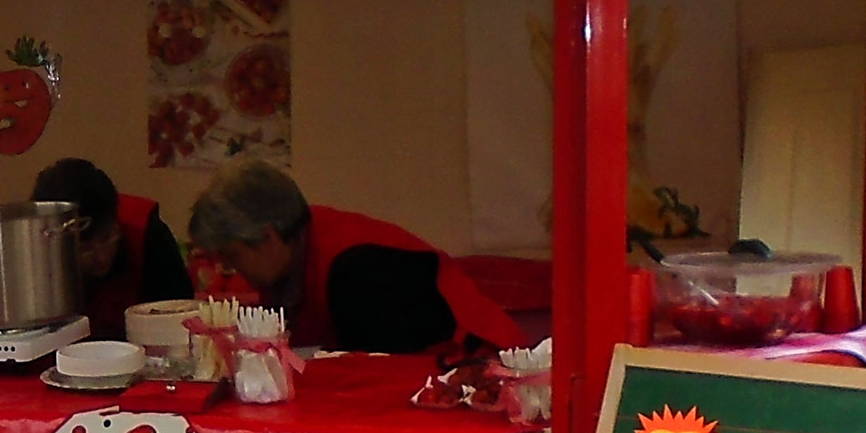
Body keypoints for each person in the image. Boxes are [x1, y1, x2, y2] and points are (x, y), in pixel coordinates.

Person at [186, 157, 520, 355]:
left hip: (486, 374)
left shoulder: (358, 272)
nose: (231, 270)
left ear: (268, 236)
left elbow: (382, 380)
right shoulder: (297, 246)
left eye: (233, 255)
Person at [33, 158, 191, 339]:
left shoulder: (147, 234)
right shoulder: (37, 254)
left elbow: (181, 318)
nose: (101, 257)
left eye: (106, 237)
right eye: (85, 249)